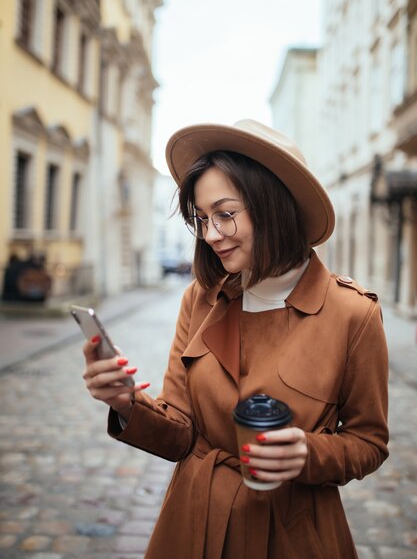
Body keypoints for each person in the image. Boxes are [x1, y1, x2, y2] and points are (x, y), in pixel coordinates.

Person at [83, 120, 389, 559]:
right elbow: (180, 433)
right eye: (203, 219)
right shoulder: (201, 299)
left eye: (225, 214)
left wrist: (307, 452)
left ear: (272, 205)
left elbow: (368, 443)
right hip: (192, 525)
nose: (210, 235)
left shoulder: (353, 313)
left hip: (292, 531)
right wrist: (126, 402)